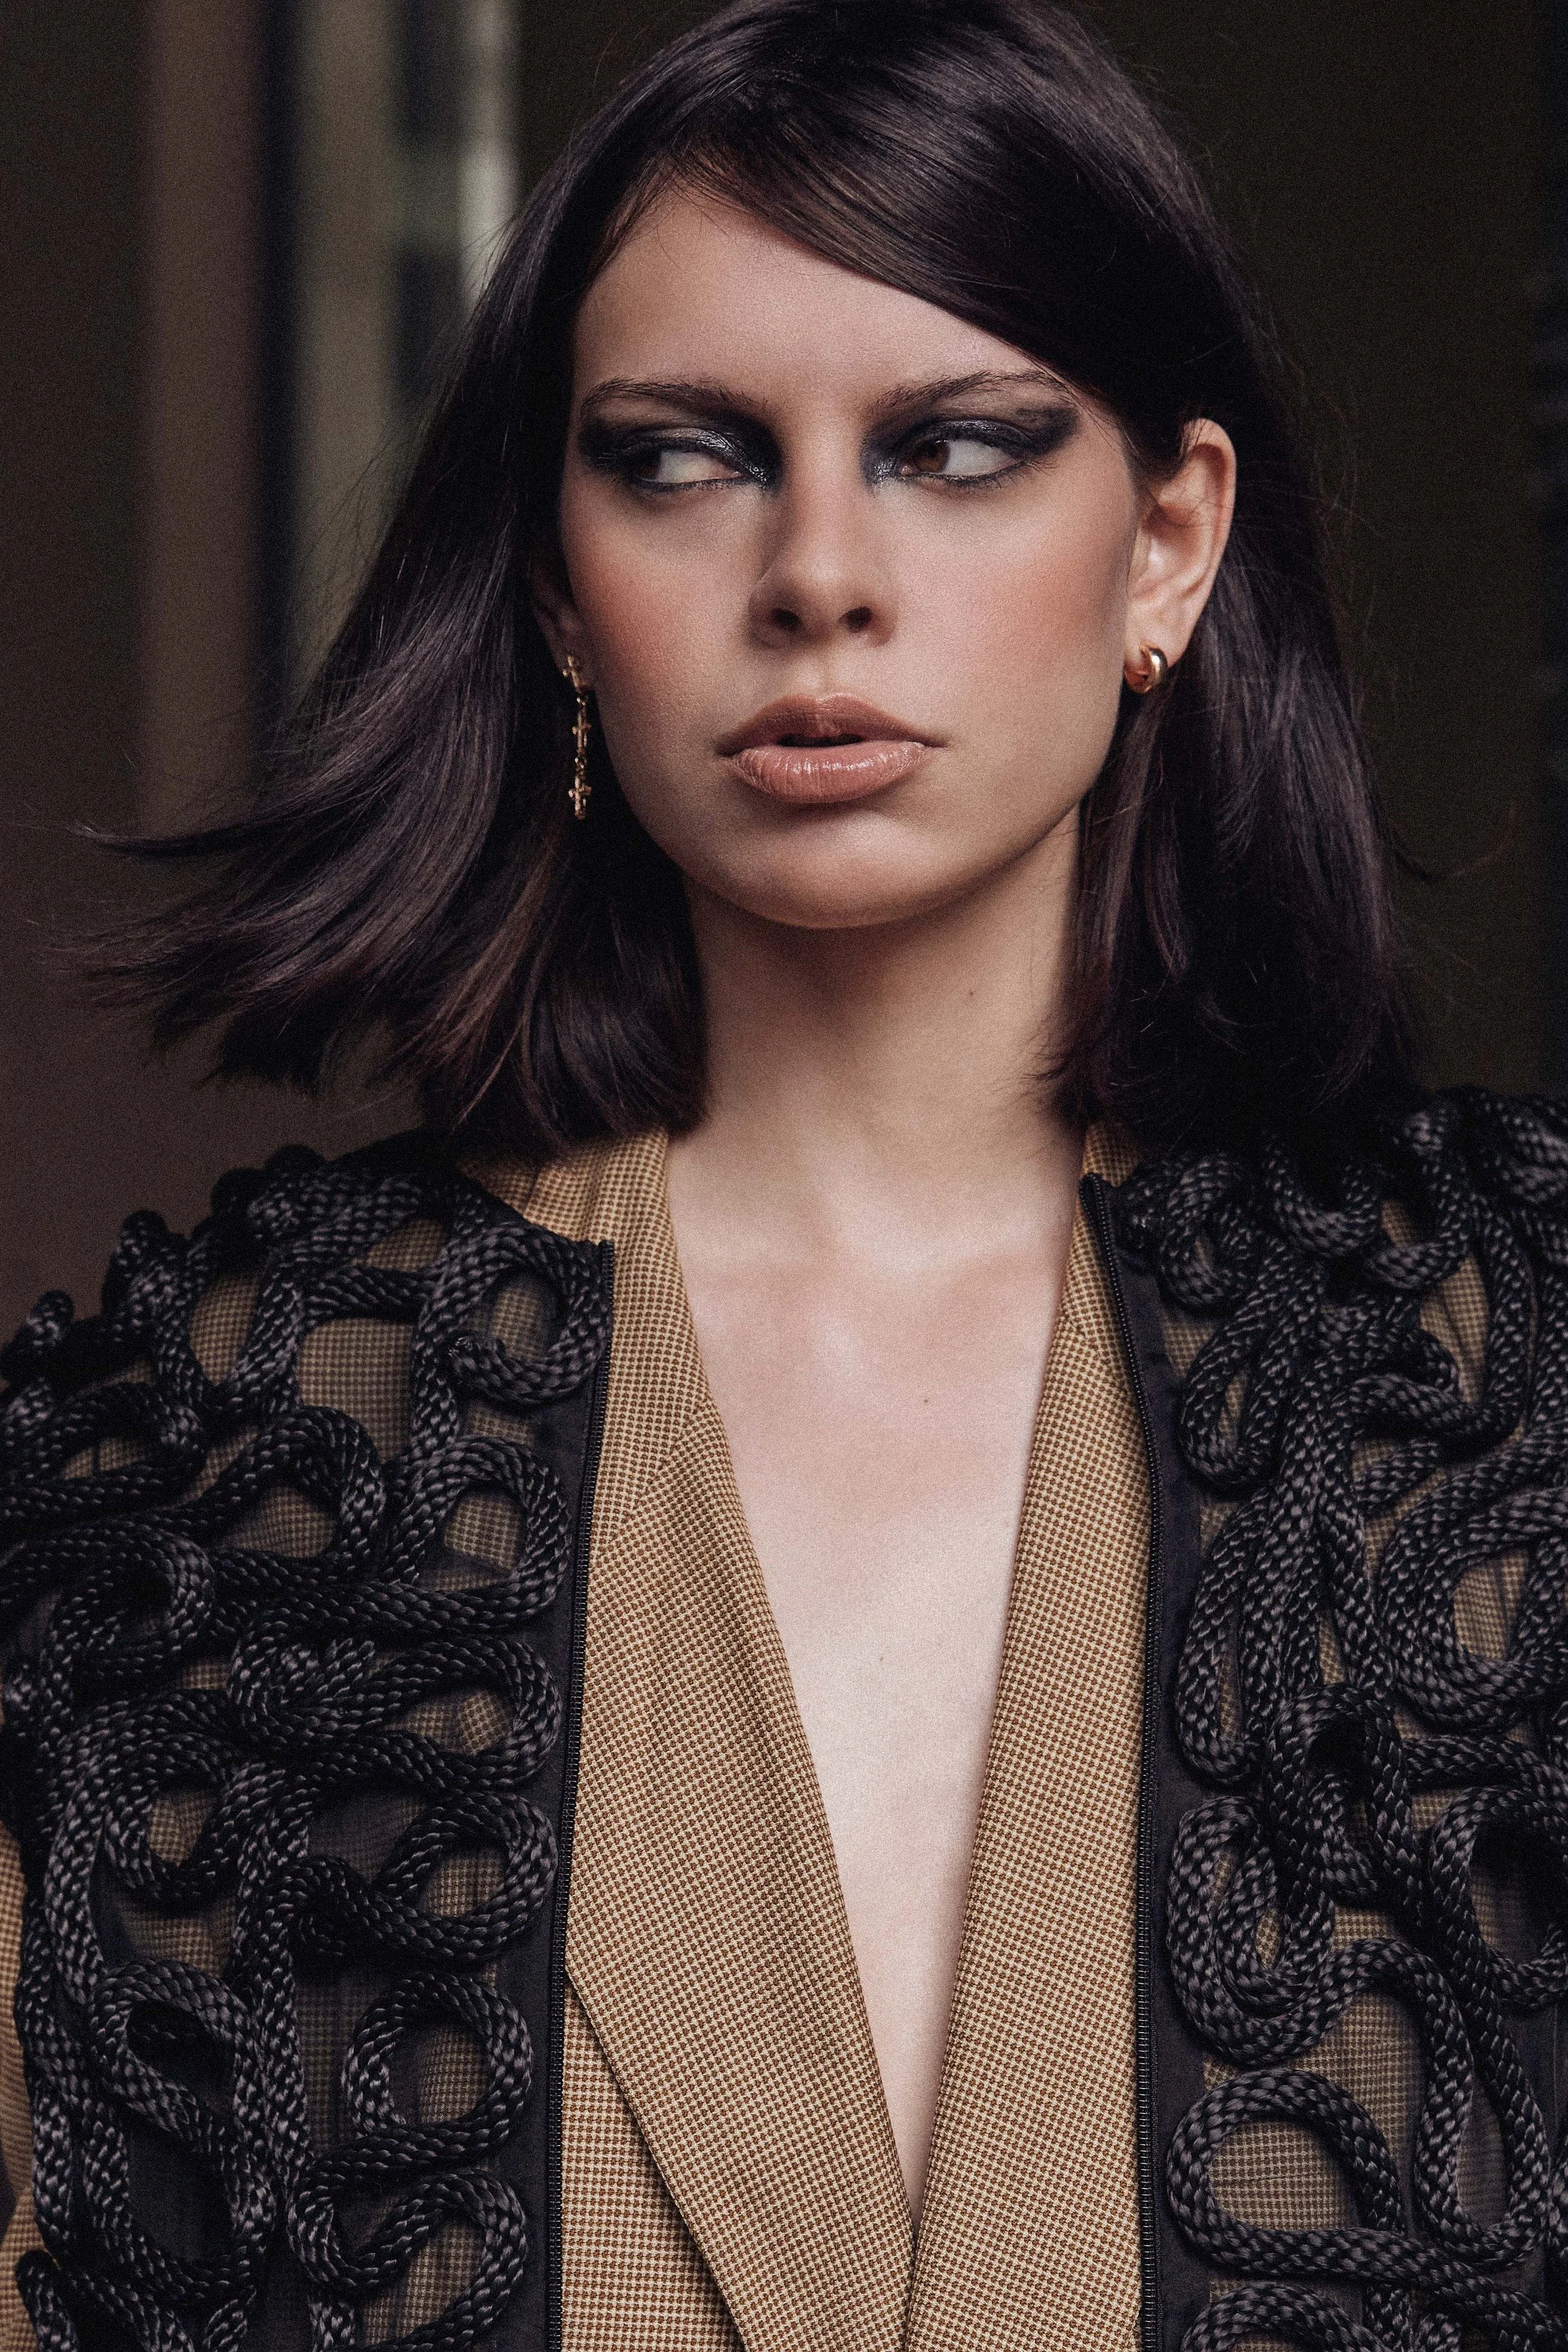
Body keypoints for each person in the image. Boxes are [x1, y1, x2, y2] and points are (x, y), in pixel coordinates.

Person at [3, 1, 1565, 2348]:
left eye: (954, 447)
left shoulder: (1503, 1377)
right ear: (552, 584)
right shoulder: (208, 1451)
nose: (817, 571)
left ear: (1168, 542)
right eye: (681, 458)